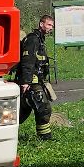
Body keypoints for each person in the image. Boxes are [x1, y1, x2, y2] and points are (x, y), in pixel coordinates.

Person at [16, 13, 56, 141]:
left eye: (52, 26)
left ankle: (6, 131)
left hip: (37, 81)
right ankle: (45, 138)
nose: (51, 28)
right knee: (43, 108)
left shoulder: (40, 39)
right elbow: (27, 61)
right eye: (49, 24)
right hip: (31, 81)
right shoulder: (33, 39)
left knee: (22, 112)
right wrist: (26, 82)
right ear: (41, 24)